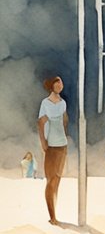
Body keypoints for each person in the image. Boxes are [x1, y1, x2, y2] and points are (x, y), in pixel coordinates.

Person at [36, 75, 69, 225]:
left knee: (58, 179)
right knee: (51, 181)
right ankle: (52, 216)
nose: (60, 84)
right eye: (57, 82)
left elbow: (65, 121)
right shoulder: (45, 103)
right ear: (52, 85)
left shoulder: (63, 103)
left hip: (62, 144)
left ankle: (55, 213)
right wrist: (43, 142)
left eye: (61, 81)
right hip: (51, 146)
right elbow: (41, 123)